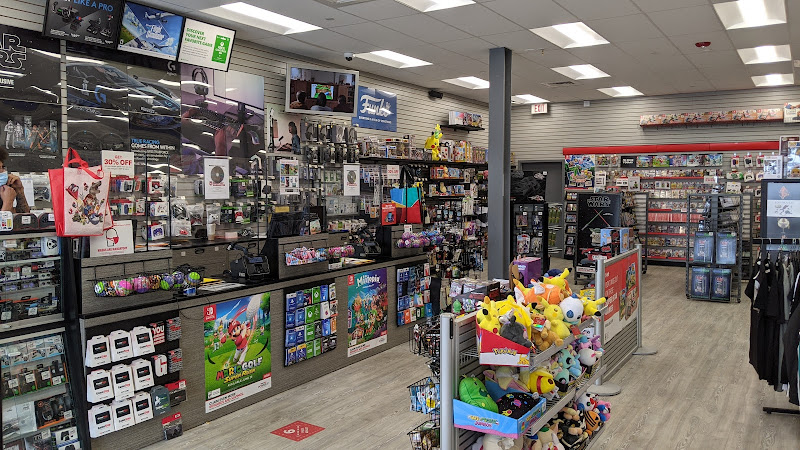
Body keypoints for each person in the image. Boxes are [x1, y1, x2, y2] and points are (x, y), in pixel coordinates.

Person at [0, 148, 30, 213]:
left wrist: (19, 190)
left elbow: (24, 217)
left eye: (2, 167)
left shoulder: (3, 191)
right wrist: (8, 203)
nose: (3, 171)